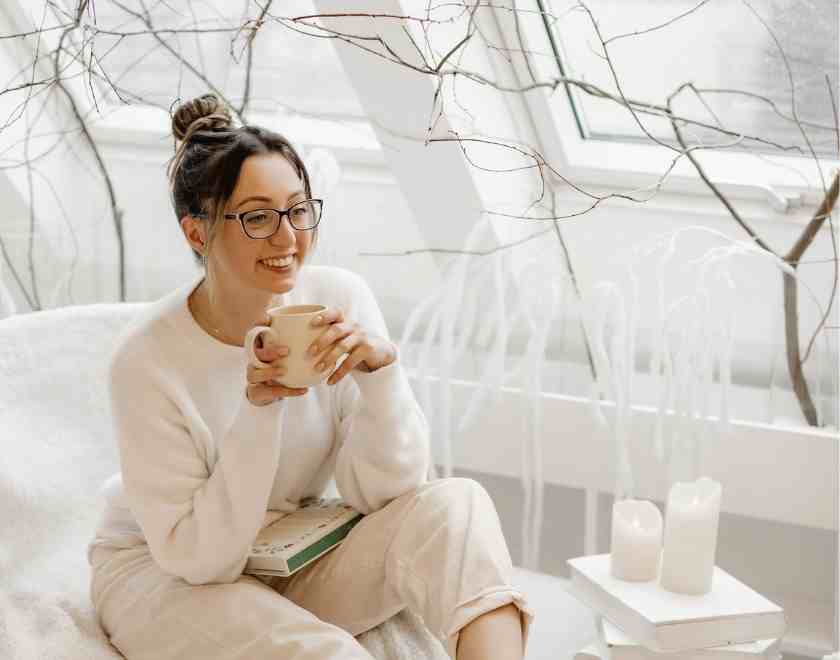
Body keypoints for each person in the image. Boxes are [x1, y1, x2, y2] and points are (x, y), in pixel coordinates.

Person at [87, 93, 533, 660]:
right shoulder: (146, 360)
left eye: (298, 210)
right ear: (197, 233)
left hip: (287, 553)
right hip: (164, 576)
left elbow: (388, 496)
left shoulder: (338, 299)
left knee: (457, 506)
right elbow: (202, 560)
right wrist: (259, 408)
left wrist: (380, 380)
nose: (288, 238)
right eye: (256, 216)